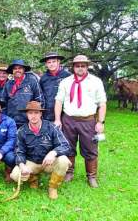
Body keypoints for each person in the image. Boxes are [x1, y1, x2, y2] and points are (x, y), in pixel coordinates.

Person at [54, 55, 107, 188]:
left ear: (87, 66)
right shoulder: (65, 82)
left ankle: (91, 176)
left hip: (88, 121)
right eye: (77, 66)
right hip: (68, 120)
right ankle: (69, 172)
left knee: (91, 149)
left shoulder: (96, 81)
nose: (80, 68)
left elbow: (102, 103)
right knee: (68, 147)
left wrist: (100, 122)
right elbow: (58, 101)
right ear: (73, 67)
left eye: (83, 65)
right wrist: (57, 119)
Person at [10, 101, 71, 199]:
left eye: (36, 113)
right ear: (27, 114)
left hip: (48, 162)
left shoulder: (51, 127)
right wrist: (22, 165)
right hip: (32, 163)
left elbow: (65, 145)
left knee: (63, 160)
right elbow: (19, 151)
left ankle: (53, 187)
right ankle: (33, 179)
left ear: (41, 113)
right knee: (15, 175)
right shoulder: (21, 131)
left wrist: (53, 153)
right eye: (30, 113)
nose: (33, 116)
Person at [3, 59, 43, 128]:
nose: (17, 70)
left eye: (20, 68)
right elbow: (3, 103)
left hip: (28, 121)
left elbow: (40, 100)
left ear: (24, 69)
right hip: (11, 121)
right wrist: (5, 119)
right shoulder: (8, 84)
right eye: (15, 68)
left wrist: (36, 118)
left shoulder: (32, 82)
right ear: (12, 71)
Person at [39, 52, 71, 121]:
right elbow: (40, 96)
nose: (51, 64)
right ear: (46, 64)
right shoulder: (43, 78)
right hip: (48, 115)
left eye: (54, 61)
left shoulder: (68, 76)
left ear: (58, 62)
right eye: (49, 62)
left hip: (65, 115)